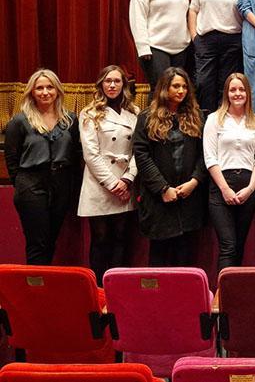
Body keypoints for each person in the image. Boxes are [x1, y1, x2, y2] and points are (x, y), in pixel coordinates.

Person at [133, 67, 207, 266]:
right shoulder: (147, 117)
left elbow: (205, 154)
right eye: (176, 86)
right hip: (159, 199)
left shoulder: (197, 116)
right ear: (165, 88)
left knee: (185, 257)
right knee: (160, 258)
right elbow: (141, 155)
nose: (181, 91)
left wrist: (194, 181)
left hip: (188, 197)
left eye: (184, 86)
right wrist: (163, 188)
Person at [5, 69, 79, 265]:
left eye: (49, 87)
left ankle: (46, 288)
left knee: (51, 240)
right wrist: (22, 184)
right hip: (31, 184)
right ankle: (34, 291)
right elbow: (12, 160)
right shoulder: (20, 121)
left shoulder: (70, 120)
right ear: (31, 92)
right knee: (37, 242)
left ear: (57, 91)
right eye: (39, 88)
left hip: (61, 184)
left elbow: (76, 155)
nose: (45, 92)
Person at [78, 65, 139, 284]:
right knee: (101, 238)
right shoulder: (89, 113)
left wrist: (127, 179)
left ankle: (117, 285)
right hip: (100, 183)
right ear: (101, 85)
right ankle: (98, 288)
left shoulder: (135, 113)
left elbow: (138, 150)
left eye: (116, 81)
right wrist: (113, 184)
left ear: (124, 85)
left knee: (122, 237)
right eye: (107, 81)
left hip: (125, 180)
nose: (112, 85)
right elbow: (91, 154)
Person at [204, 73, 255, 272]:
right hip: (221, 186)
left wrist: (250, 188)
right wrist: (225, 189)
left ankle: (235, 294)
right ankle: (222, 297)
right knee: (228, 245)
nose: (237, 93)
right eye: (233, 90)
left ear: (248, 93)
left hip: (248, 186)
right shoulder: (214, 119)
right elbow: (210, 158)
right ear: (226, 93)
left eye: (241, 89)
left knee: (239, 244)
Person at [129, 0, 191, 96]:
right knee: (161, 91)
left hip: (181, 49)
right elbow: (138, 17)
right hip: (155, 48)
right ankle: (157, 120)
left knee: (178, 93)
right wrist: (142, 47)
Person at [188, 0, 243, 113]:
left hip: (232, 40)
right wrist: (194, 36)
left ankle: (224, 117)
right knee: (204, 82)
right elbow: (193, 10)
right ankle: (205, 120)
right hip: (206, 40)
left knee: (226, 84)